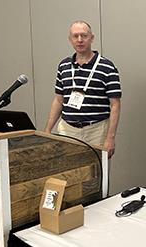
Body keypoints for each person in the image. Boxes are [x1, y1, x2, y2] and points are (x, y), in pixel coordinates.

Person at [44, 20, 121, 158]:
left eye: (84, 36)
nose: (79, 40)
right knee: (69, 173)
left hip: (96, 130)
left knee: (97, 175)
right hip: (67, 130)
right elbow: (58, 100)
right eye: (75, 36)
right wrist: (48, 130)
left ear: (92, 38)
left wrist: (110, 138)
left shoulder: (107, 67)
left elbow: (115, 104)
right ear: (70, 40)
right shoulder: (63, 66)